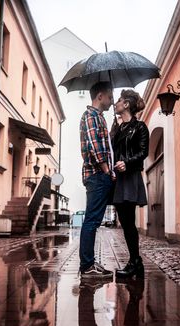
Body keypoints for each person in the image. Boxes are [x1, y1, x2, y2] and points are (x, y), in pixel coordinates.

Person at [112, 89, 149, 279]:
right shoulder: (118, 128)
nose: (116, 104)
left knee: (129, 222)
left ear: (126, 104)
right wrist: (114, 127)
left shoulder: (140, 127)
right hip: (118, 179)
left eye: (118, 101)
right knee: (126, 223)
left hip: (131, 176)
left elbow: (144, 152)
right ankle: (136, 262)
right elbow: (112, 150)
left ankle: (135, 261)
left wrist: (127, 162)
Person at [79, 81, 114, 279]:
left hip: (98, 175)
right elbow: (94, 146)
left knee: (93, 220)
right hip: (97, 175)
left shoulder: (98, 117)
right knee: (91, 220)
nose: (111, 101)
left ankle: (89, 263)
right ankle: (86, 267)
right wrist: (106, 169)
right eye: (110, 97)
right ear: (100, 96)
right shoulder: (91, 116)